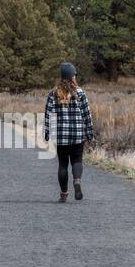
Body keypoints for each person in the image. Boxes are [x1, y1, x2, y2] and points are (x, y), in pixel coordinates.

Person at [43, 62, 94, 203]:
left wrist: (47, 132)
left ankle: (64, 194)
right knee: (77, 160)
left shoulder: (53, 93)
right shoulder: (80, 93)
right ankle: (77, 181)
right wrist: (90, 133)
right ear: (73, 77)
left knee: (63, 164)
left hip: (61, 135)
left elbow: (49, 114)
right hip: (77, 134)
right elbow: (86, 114)